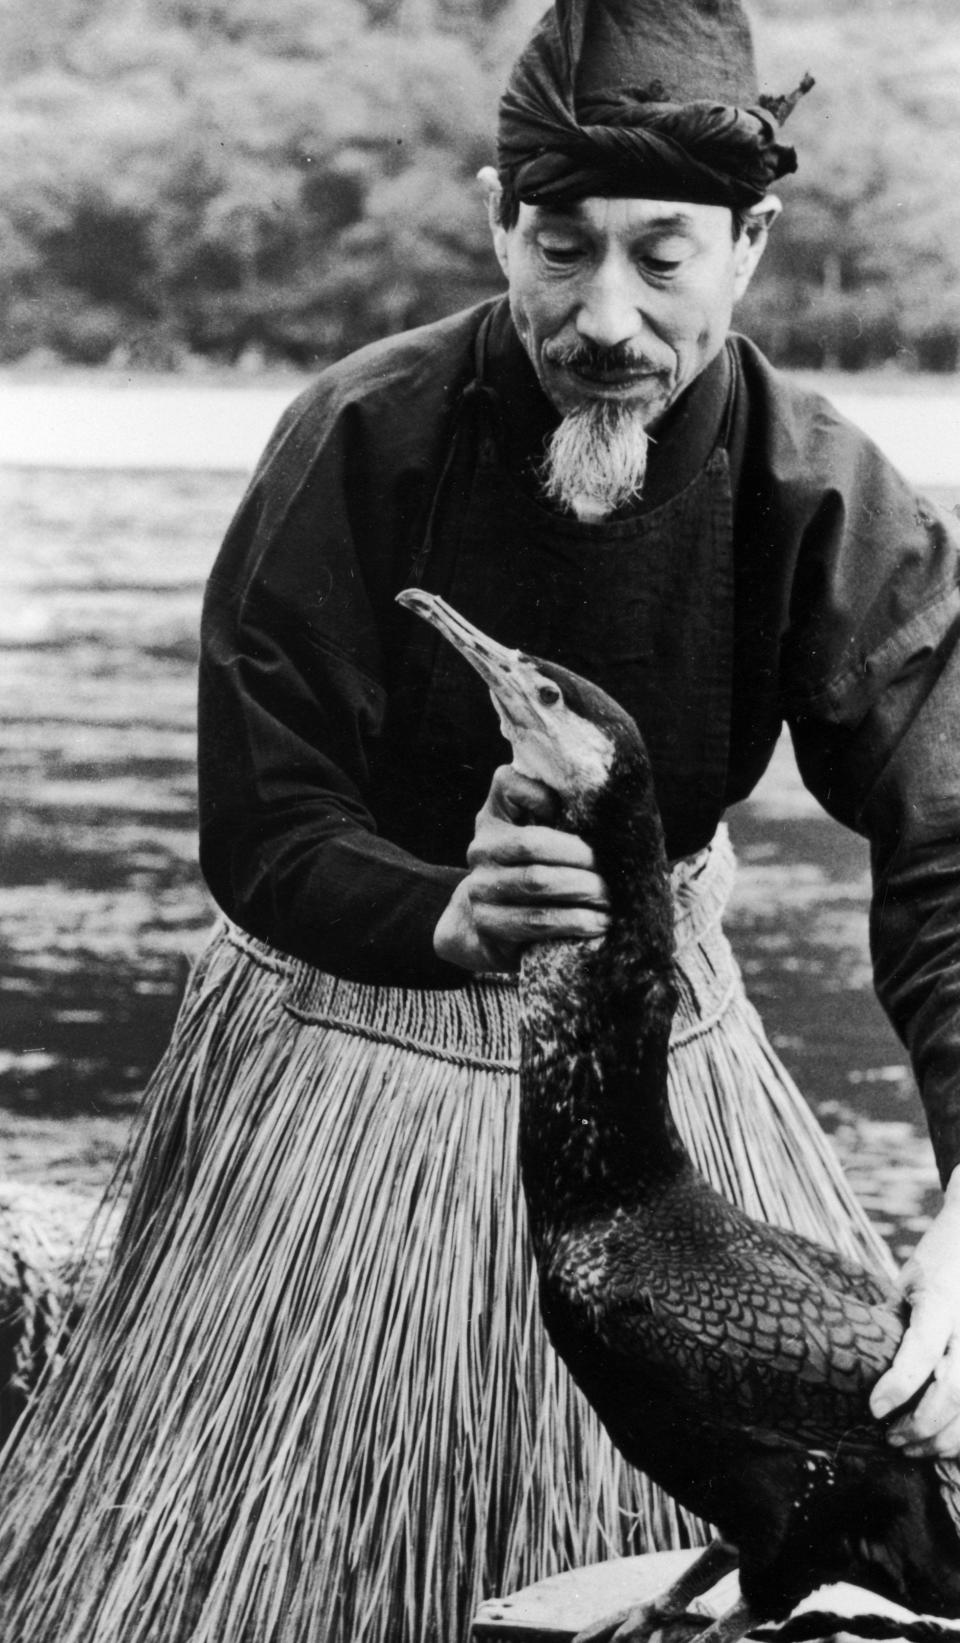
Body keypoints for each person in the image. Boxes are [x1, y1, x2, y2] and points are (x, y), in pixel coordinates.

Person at [2, 1, 960, 1639]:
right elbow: (266, 816)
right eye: (559, 247)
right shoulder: (356, 439)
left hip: (663, 1087)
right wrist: (437, 914)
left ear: (755, 246)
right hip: (338, 1062)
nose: (605, 314)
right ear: (493, 218)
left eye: (663, 259)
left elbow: (951, 832)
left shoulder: (821, 489)